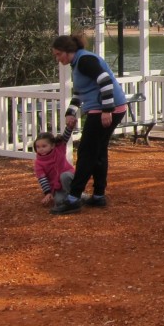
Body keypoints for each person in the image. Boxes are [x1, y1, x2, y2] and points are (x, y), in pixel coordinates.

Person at [50, 33, 129, 215]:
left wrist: (107, 109)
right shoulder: (79, 62)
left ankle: (73, 198)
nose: (57, 59)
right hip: (109, 107)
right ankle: (99, 195)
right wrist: (71, 112)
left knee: (86, 152)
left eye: (58, 54)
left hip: (105, 109)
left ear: (68, 51)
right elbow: (80, 91)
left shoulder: (85, 61)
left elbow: (105, 81)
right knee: (98, 151)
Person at [33, 124, 75, 210]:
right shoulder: (38, 163)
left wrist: (69, 127)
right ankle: (75, 197)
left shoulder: (59, 149)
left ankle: (75, 196)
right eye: (38, 147)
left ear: (52, 145)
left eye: (44, 146)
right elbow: (42, 179)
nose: (41, 149)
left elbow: (65, 137)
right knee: (59, 201)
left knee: (64, 176)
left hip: (69, 179)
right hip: (57, 187)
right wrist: (48, 193)